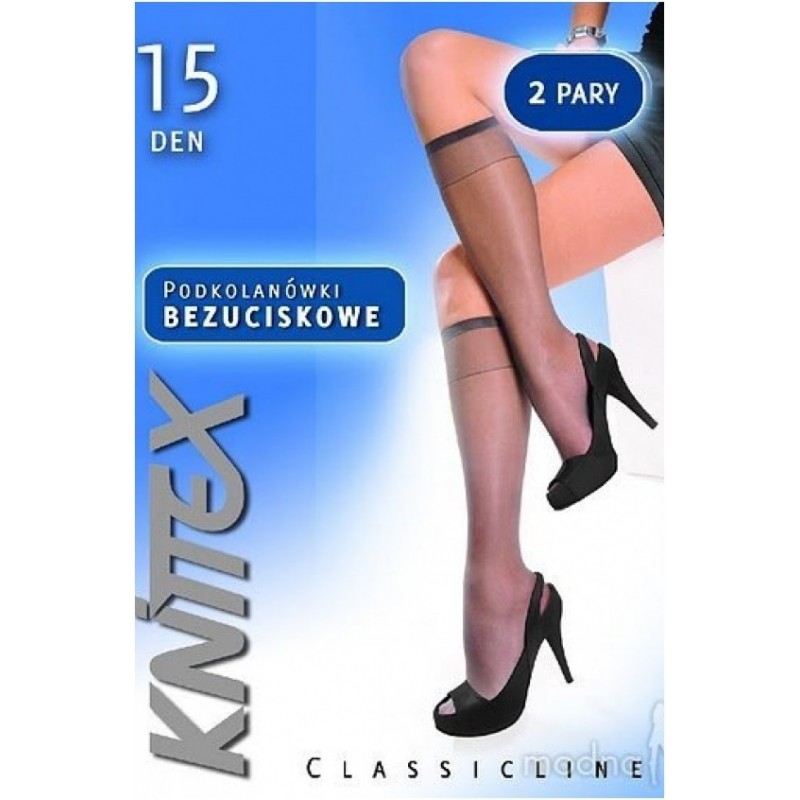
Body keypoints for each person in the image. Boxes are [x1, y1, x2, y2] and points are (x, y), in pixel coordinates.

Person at [400, 2, 664, 736]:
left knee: (463, 281)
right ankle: (557, 357)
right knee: (433, 61)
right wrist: (585, 36)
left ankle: (499, 588)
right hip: (647, 84)